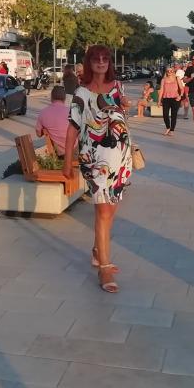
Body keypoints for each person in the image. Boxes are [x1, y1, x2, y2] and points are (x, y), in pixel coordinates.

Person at [65, 45, 133, 293]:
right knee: (103, 211)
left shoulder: (117, 87)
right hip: (95, 158)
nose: (101, 62)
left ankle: (97, 250)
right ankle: (104, 267)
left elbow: (121, 118)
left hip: (120, 156)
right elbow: (73, 127)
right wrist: (67, 160)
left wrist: (124, 106)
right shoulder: (81, 93)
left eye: (105, 58)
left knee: (110, 210)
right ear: (89, 62)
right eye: (96, 59)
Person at [35, 85, 69, 156]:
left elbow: (38, 134)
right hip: (72, 151)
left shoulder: (43, 112)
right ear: (65, 98)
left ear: (51, 97)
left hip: (57, 153)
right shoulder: (71, 112)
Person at [159, 64, 183, 136]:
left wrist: (180, 96)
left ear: (173, 71)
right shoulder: (163, 80)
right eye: (168, 71)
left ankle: (172, 130)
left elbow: (182, 88)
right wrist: (159, 100)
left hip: (175, 98)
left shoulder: (177, 78)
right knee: (165, 114)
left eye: (171, 71)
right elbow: (161, 90)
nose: (169, 72)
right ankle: (168, 127)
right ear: (166, 72)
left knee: (173, 115)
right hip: (166, 98)